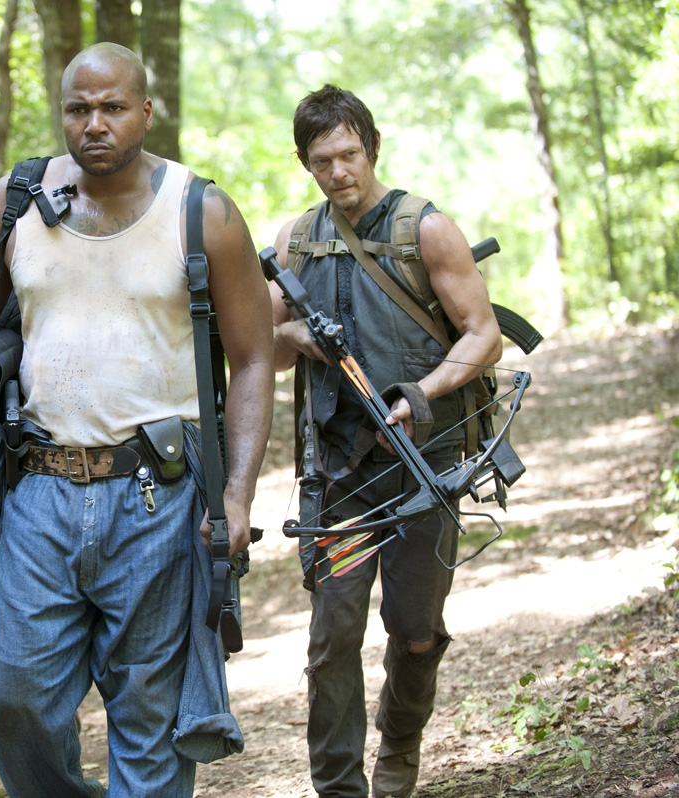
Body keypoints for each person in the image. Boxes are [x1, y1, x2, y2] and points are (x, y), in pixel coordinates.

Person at [0, 42, 275, 798]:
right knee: (14, 696)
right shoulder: (13, 204)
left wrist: (236, 495)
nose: (93, 123)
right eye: (78, 109)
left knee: (150, 711)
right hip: (38, 488)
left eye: (111, 107)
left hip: (158, 492)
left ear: (145, 111)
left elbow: (254, 358)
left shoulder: (202, 212)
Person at [269, 85, 503, 798]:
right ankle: (339, 786)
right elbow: (263, 354)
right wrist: (295, 334)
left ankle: (400, 743)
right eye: (322, 161)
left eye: (349, 154)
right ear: (305, 163)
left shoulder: (425, 230)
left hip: (425, 470)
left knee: (415, 628)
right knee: (333, 636)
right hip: (341, 479)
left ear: (372, 147)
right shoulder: (294, 241)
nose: (338, 171)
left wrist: (419, 394)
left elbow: (484, 336)